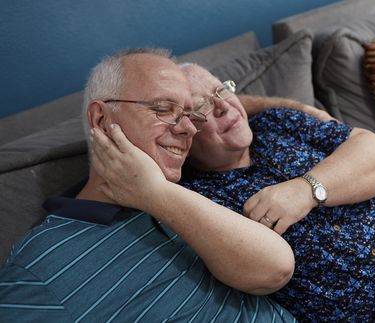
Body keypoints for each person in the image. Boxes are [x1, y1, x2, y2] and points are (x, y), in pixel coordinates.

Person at [169, 64, 375, 322]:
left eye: (221, 91)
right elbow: (263, 272)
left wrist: (306, 190)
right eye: (201, 108)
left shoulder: (276, 122)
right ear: (183, 134)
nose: (224, 108)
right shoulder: (199, 200)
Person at [0, 48, 310, 321]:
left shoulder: (192, 189)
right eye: (164, 109)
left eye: (190, 114)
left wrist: (154, 194)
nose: (189, 128)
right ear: (101, 120)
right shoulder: (40, 269)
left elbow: (275, 267)